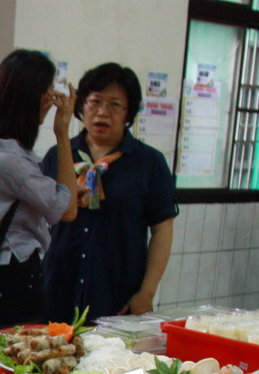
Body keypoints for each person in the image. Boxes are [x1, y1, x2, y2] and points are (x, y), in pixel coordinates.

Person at [41, 62, 177, 321]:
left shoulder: (149, 163)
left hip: (117, 293)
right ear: (81, 106)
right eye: (95, 102)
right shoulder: (59, 155)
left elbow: (162, 230)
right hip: (58, 287)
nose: (102, 112)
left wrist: (147, 292)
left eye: (114, 105)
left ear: (128, 113)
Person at [0, 49, 80, 329]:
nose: (53, 100)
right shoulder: (9, 158)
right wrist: (63, 134)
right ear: (31, 96)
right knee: (20, 363)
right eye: (48, 90)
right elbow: (68, 210)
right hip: (13, 278)